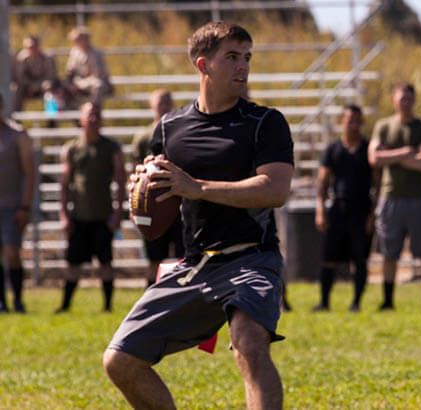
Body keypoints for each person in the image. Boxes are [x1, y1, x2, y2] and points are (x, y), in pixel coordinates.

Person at [103, 22, 294, 410]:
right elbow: (159, 194)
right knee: (120, 360)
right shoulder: (170, 128)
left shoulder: (264, 123)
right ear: (203, 64)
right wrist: (143, 192)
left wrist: (199, 187)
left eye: (247, 58)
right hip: (195, 265)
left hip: (252, 259)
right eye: (232, 57)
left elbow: (275, 190)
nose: (243, 67)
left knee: (248, 342)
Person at [368, 83, 421, 311]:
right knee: (389, 253)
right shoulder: (384, 126)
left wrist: (389, 156)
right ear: (394, 100)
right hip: (390, 198)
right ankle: (388, 301)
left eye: (409, 98)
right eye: (401, 98)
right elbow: (374, 158)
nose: (405, 103)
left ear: (414, 100)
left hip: (418, 198)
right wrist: (404, 153)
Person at [57, 102, 125, 313]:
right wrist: (64, 215)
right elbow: (64, 184)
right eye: (90, 115)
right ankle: (66, 305)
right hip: (79, 215)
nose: (94, 119)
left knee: (105, 263)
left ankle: (107, 306)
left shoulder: (111, 148)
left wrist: (117, 214)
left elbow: (121, 182)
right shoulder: (72, 148)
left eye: (97, 114)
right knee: (73, 264)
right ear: (81, 119)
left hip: (102, 216)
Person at [313, 104, 376, 312]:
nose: (354, 125)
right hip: (338, 209)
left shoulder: (368, 149)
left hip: (361, 210)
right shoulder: (333, 149)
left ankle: (356, 302)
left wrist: (372, 215)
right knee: (328, 258)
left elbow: (377, 184)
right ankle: (324, 302)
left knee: (360, 259)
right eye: (350, 120)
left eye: (358, 120)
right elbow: (322, 183)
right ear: (342, 121)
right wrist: (320, 210)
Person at [130, 89, 184, 287]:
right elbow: (135, 172)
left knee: (182, 254)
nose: (164, 106)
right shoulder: (144, 136)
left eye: (167, 102)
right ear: (151, 105)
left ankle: (180, 292)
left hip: (177, 201)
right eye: (160, 102)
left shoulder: (180, 133)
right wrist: (134, 205)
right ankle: (150, 293)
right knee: (154, 256)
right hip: (151, 202)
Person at [0, 93, 36, 313]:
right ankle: (2, 303)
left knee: (12, 252)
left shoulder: (17, 135)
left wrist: (25, 206)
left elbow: (29, 172)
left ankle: (19, 299)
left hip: (12, 205)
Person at [65, 27, 113, 106]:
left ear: (84, 40)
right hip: (80, 83)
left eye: (77, 40)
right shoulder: (75, 52)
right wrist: (70, 83)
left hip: (96, 83)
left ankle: (92, 110)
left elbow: (97, 76)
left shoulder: (95, 54)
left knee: (98, 86)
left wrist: (79, 85)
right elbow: (70, 70)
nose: (74, 43)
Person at [13, 35, 58, 112]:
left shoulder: (47, 58)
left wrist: (40, 85)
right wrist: (30, 85)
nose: (31, 49)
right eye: (29, 47)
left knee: (51, 91)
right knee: (16, 90)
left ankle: (52, 119)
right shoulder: (22, 58)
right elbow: (20, 77)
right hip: (28, 87)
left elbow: (50, 75)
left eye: (33, 46)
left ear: (38, 47)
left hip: (44, 85)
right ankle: (16, 116)